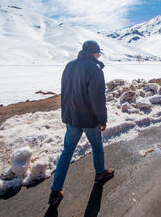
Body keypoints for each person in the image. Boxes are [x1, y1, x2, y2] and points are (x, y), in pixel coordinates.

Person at [48, 40, 114, 206]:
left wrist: (66, 113)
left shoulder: (69, 65)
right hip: (88, 119)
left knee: (67, 151)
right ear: (93, 53)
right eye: (98, 52)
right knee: (97, 146)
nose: (99, 55)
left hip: (71, 117)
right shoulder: (95, 69)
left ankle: (55, 191)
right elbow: (97, 98)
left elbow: (65, 91)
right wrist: (102, 119)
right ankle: (100, 173)